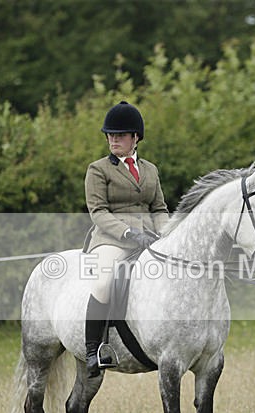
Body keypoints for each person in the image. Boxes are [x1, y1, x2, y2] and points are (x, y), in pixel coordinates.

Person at [82, 101, 169, 377]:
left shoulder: (151, 170)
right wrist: (128, 232)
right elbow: (98, 212)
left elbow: (159, 208)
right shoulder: (98, 170)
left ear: (135, 138)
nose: (113, 139)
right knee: (105, 281)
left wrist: (166, 235)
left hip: (149, 239)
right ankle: (93, 350)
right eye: (110, 134)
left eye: (119, 135)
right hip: (112, 239)